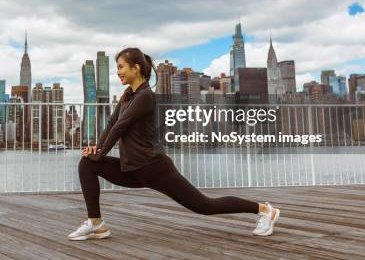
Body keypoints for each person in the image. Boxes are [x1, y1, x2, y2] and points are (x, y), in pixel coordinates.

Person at [67, 47, 280, 241]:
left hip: (154, 168)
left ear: (136, 67)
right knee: (87, 164)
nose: (118, 72)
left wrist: (101, 153)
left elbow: (120, 127)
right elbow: (112, 124)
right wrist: (96, 149)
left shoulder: (145, 96)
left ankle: (264, 210)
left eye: (121, 67)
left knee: (205, 206)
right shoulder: (127, 96)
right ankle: (96, 224)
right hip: (132, 169)